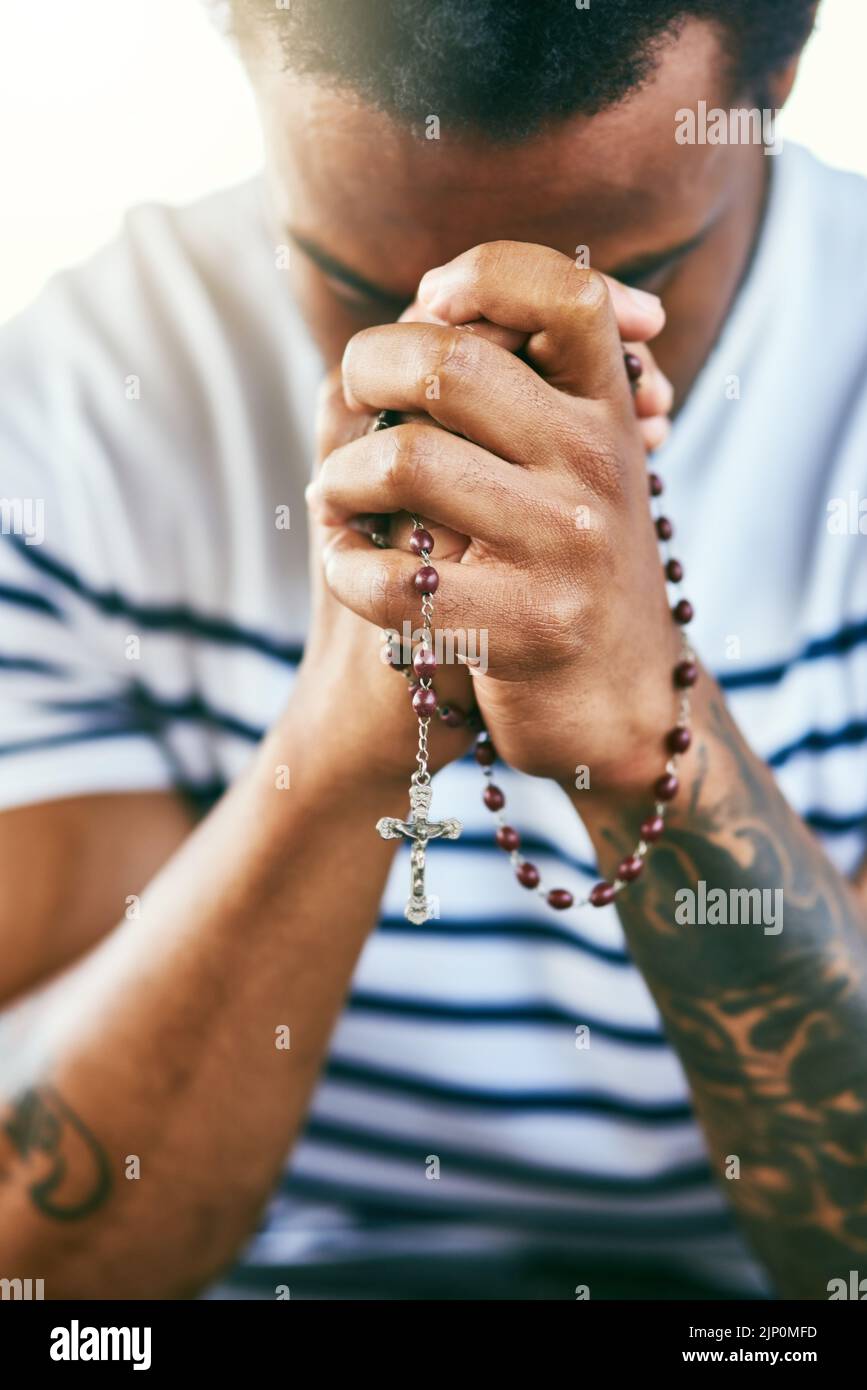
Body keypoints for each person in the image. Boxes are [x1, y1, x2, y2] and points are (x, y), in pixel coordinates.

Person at [0, 0, 864, 1301]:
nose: (466, 384)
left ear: (780, 77)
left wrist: (651, 739)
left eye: (614, 296)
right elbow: (49, 1275)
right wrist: (350, 728)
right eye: (361, 292)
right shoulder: (77, 415)